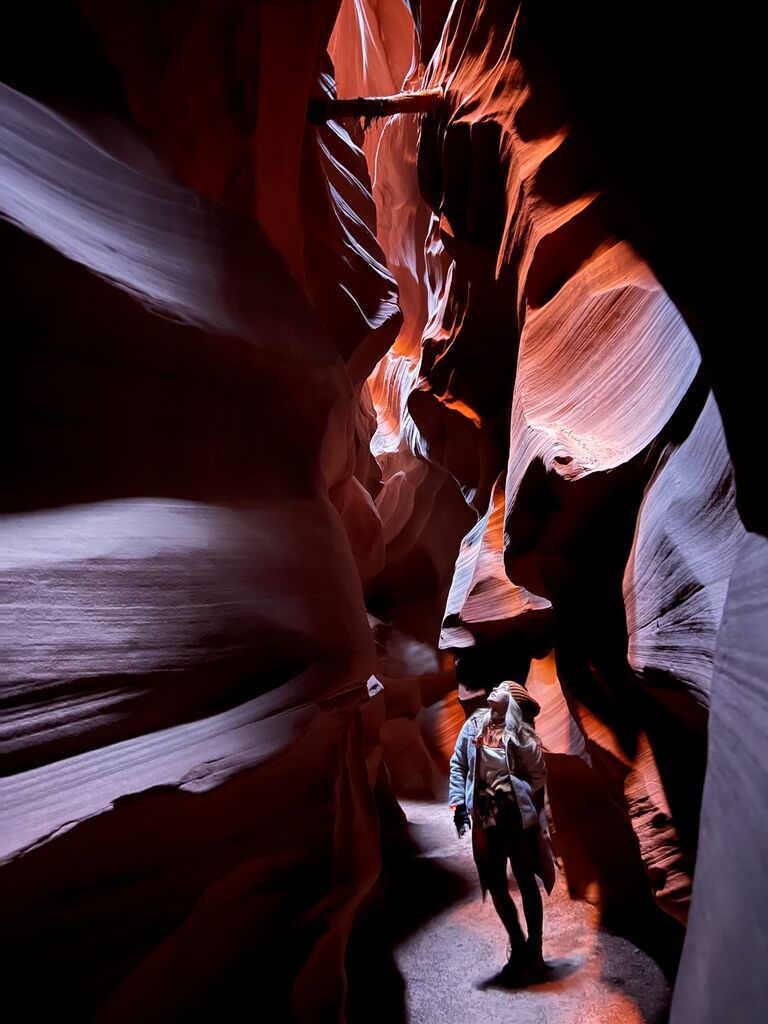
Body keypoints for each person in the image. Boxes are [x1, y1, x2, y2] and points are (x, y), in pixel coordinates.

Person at [449, 680, 553, 977]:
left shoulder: (521, 733)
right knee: (495, 884)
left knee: (526, 882)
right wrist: (458, 805)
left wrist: (522, 799)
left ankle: (534, 949)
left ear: (513, 701)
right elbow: (458, 764)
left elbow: (537, 774)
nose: (494, 688)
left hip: (515, 819)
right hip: (484, 818)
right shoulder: (474, 725)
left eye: (503, 687)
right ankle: (518, 943)